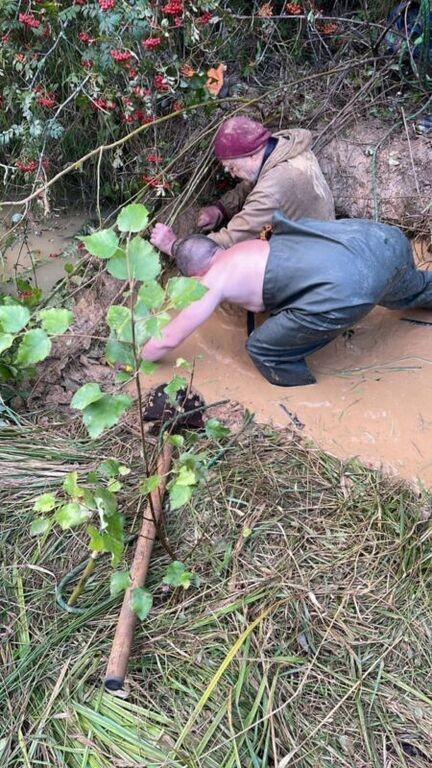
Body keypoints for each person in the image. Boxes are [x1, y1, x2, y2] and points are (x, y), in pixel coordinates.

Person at [141, 213, 432, 387]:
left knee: (261, 347)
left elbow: (167, 339)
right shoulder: (247, 248)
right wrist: (173, 246)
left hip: (353, 287)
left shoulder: (212, 281)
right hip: (382, 241)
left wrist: (135, 360)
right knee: (410, 291)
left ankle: (308, 397)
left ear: (196, 278)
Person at [150, 116, 335, 257]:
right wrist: (220, 209)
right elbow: (252, 184)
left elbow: (231, 240)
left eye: (232, 167)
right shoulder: (283, 147)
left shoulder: (273, 190)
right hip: (325, 235)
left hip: (310, 258)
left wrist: (175, 246)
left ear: (252, 156)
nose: (231, 173)